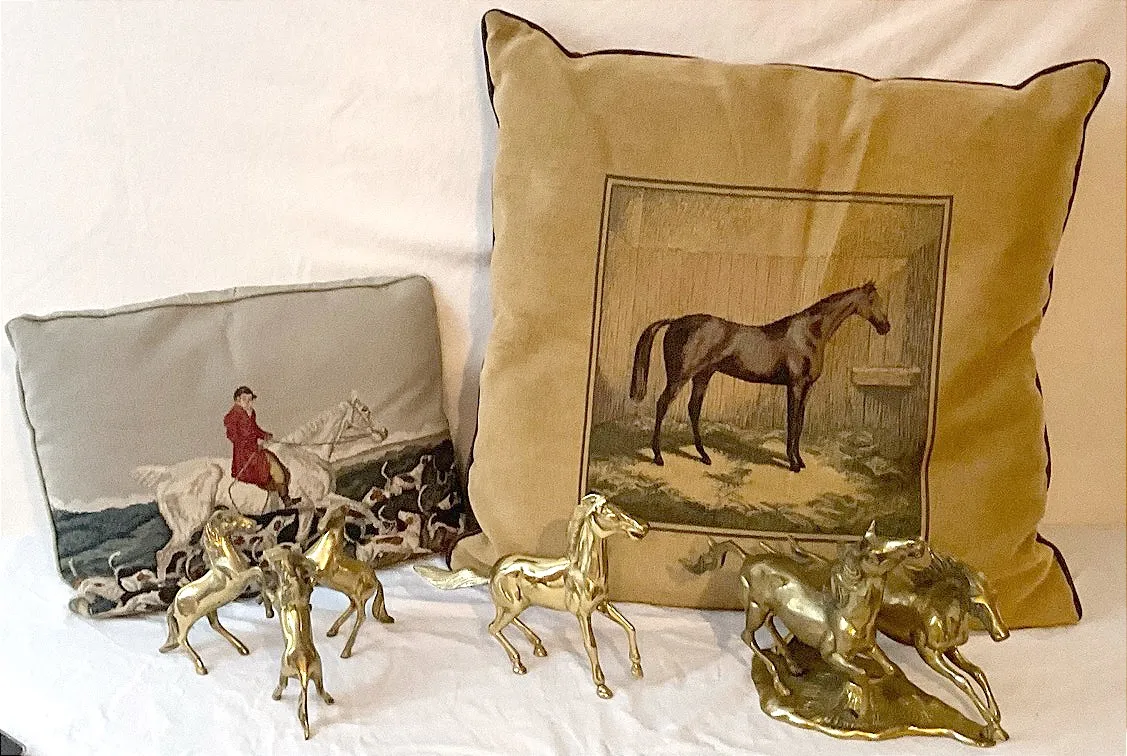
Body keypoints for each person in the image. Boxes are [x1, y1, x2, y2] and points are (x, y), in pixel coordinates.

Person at [224, 386, 295, 503]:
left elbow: (255, 429)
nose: (248, 402)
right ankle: (285, 500)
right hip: (244, 456)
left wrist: (264, 435)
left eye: (250, 399)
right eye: (244, 399)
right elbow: (233, 437)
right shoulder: (232, 417)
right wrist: (253, 442)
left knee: (277, 464)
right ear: (237, 400)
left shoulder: (251, 413)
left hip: (255, 450)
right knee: (273, 467)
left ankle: (284, 497)